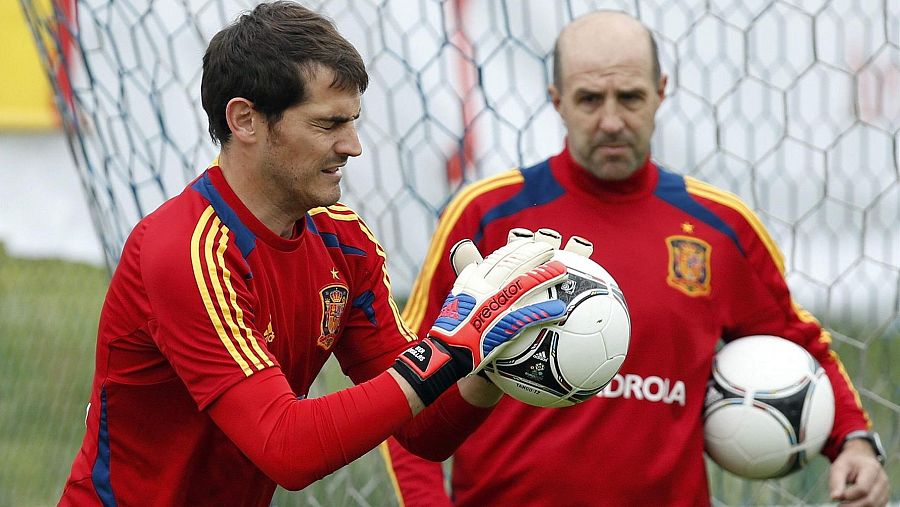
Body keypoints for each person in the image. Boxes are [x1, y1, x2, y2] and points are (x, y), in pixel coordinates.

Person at [57, 3, 574, 505]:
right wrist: (450, 347)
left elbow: (422, 432)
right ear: (245, 120)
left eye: (353, 121)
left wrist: (492, 361)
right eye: (328, 124)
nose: (353, 146)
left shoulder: (343, 242)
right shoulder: (187, 250)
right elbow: (288, 450)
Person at [384, 10, 890, 507]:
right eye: (588, 99)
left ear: (661, 91)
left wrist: (855, 442)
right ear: (556, 101)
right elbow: (405, 389)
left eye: (629, 97)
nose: (611, 121)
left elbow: (796, 341)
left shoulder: (720, 228)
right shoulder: (488, 216)